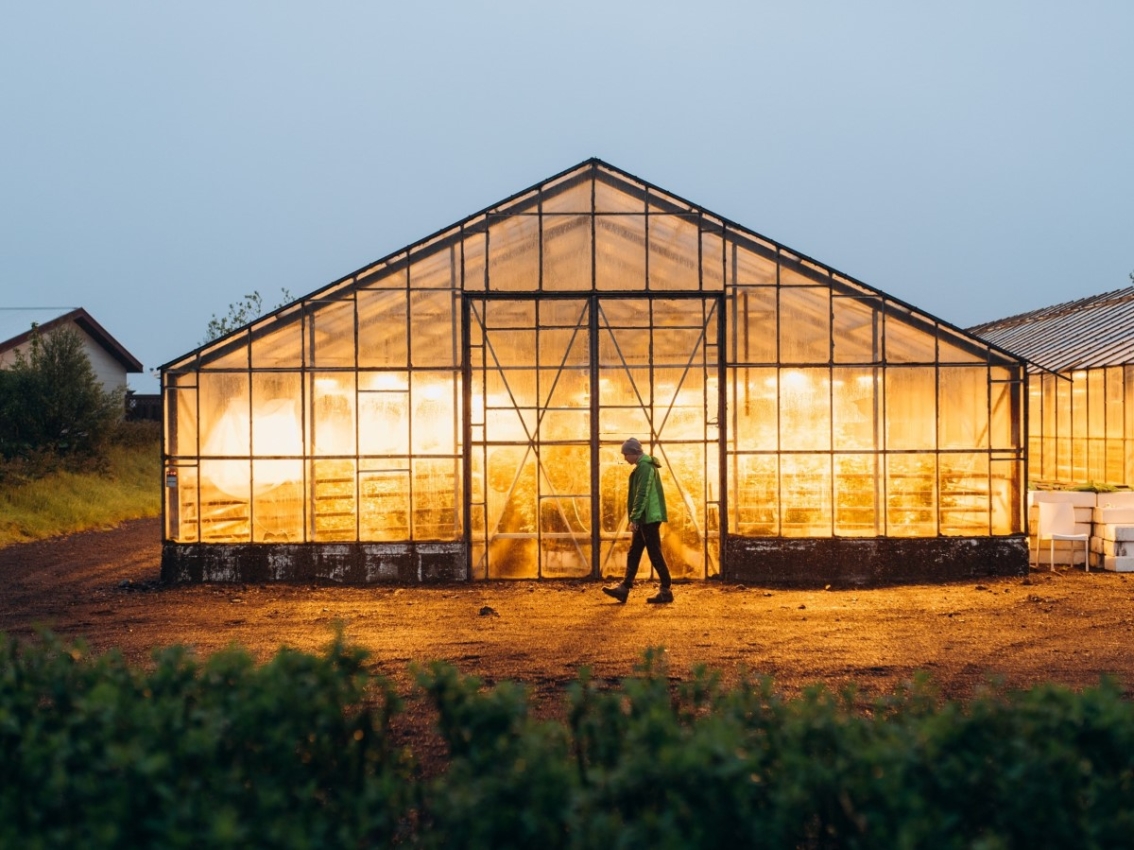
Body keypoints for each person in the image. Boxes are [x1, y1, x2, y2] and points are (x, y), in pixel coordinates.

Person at [602, 438, 673, 604]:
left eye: (626, 454)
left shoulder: (645, 467)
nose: (625, 458)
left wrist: (634, 517)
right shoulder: (642, 466)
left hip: (648, 516)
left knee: (654, 552)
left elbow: (642, 494)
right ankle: (624, 588)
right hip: (644, 516)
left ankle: (666, 589)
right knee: (634, 552)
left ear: (634, 453)